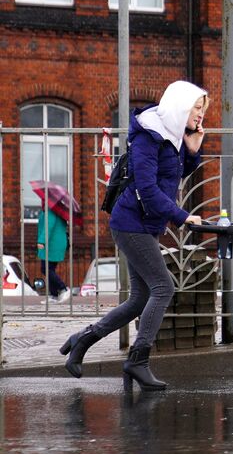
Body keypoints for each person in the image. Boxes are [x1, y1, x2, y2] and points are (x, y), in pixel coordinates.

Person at [60, 80, 207, 389]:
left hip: (147, 224)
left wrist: (191, 153)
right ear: (180, 107)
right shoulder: (147, 135)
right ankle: (137, 361)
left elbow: (171, 176)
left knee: (141, 298)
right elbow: (147, 188)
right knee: (163, 288)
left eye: (202, 111)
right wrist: (182, 216)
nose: (200, 117)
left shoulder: (172, 135)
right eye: (197, 109)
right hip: (130, 222)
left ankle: (82, 340)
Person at [36, 205, 71, 303]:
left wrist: (41, 241)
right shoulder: (57, 211)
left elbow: (48, 227)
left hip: (52, 244)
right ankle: (54, 295)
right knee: (49, 269)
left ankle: (63, 288)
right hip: (55, 243)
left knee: (46, 268)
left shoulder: (51, 211)